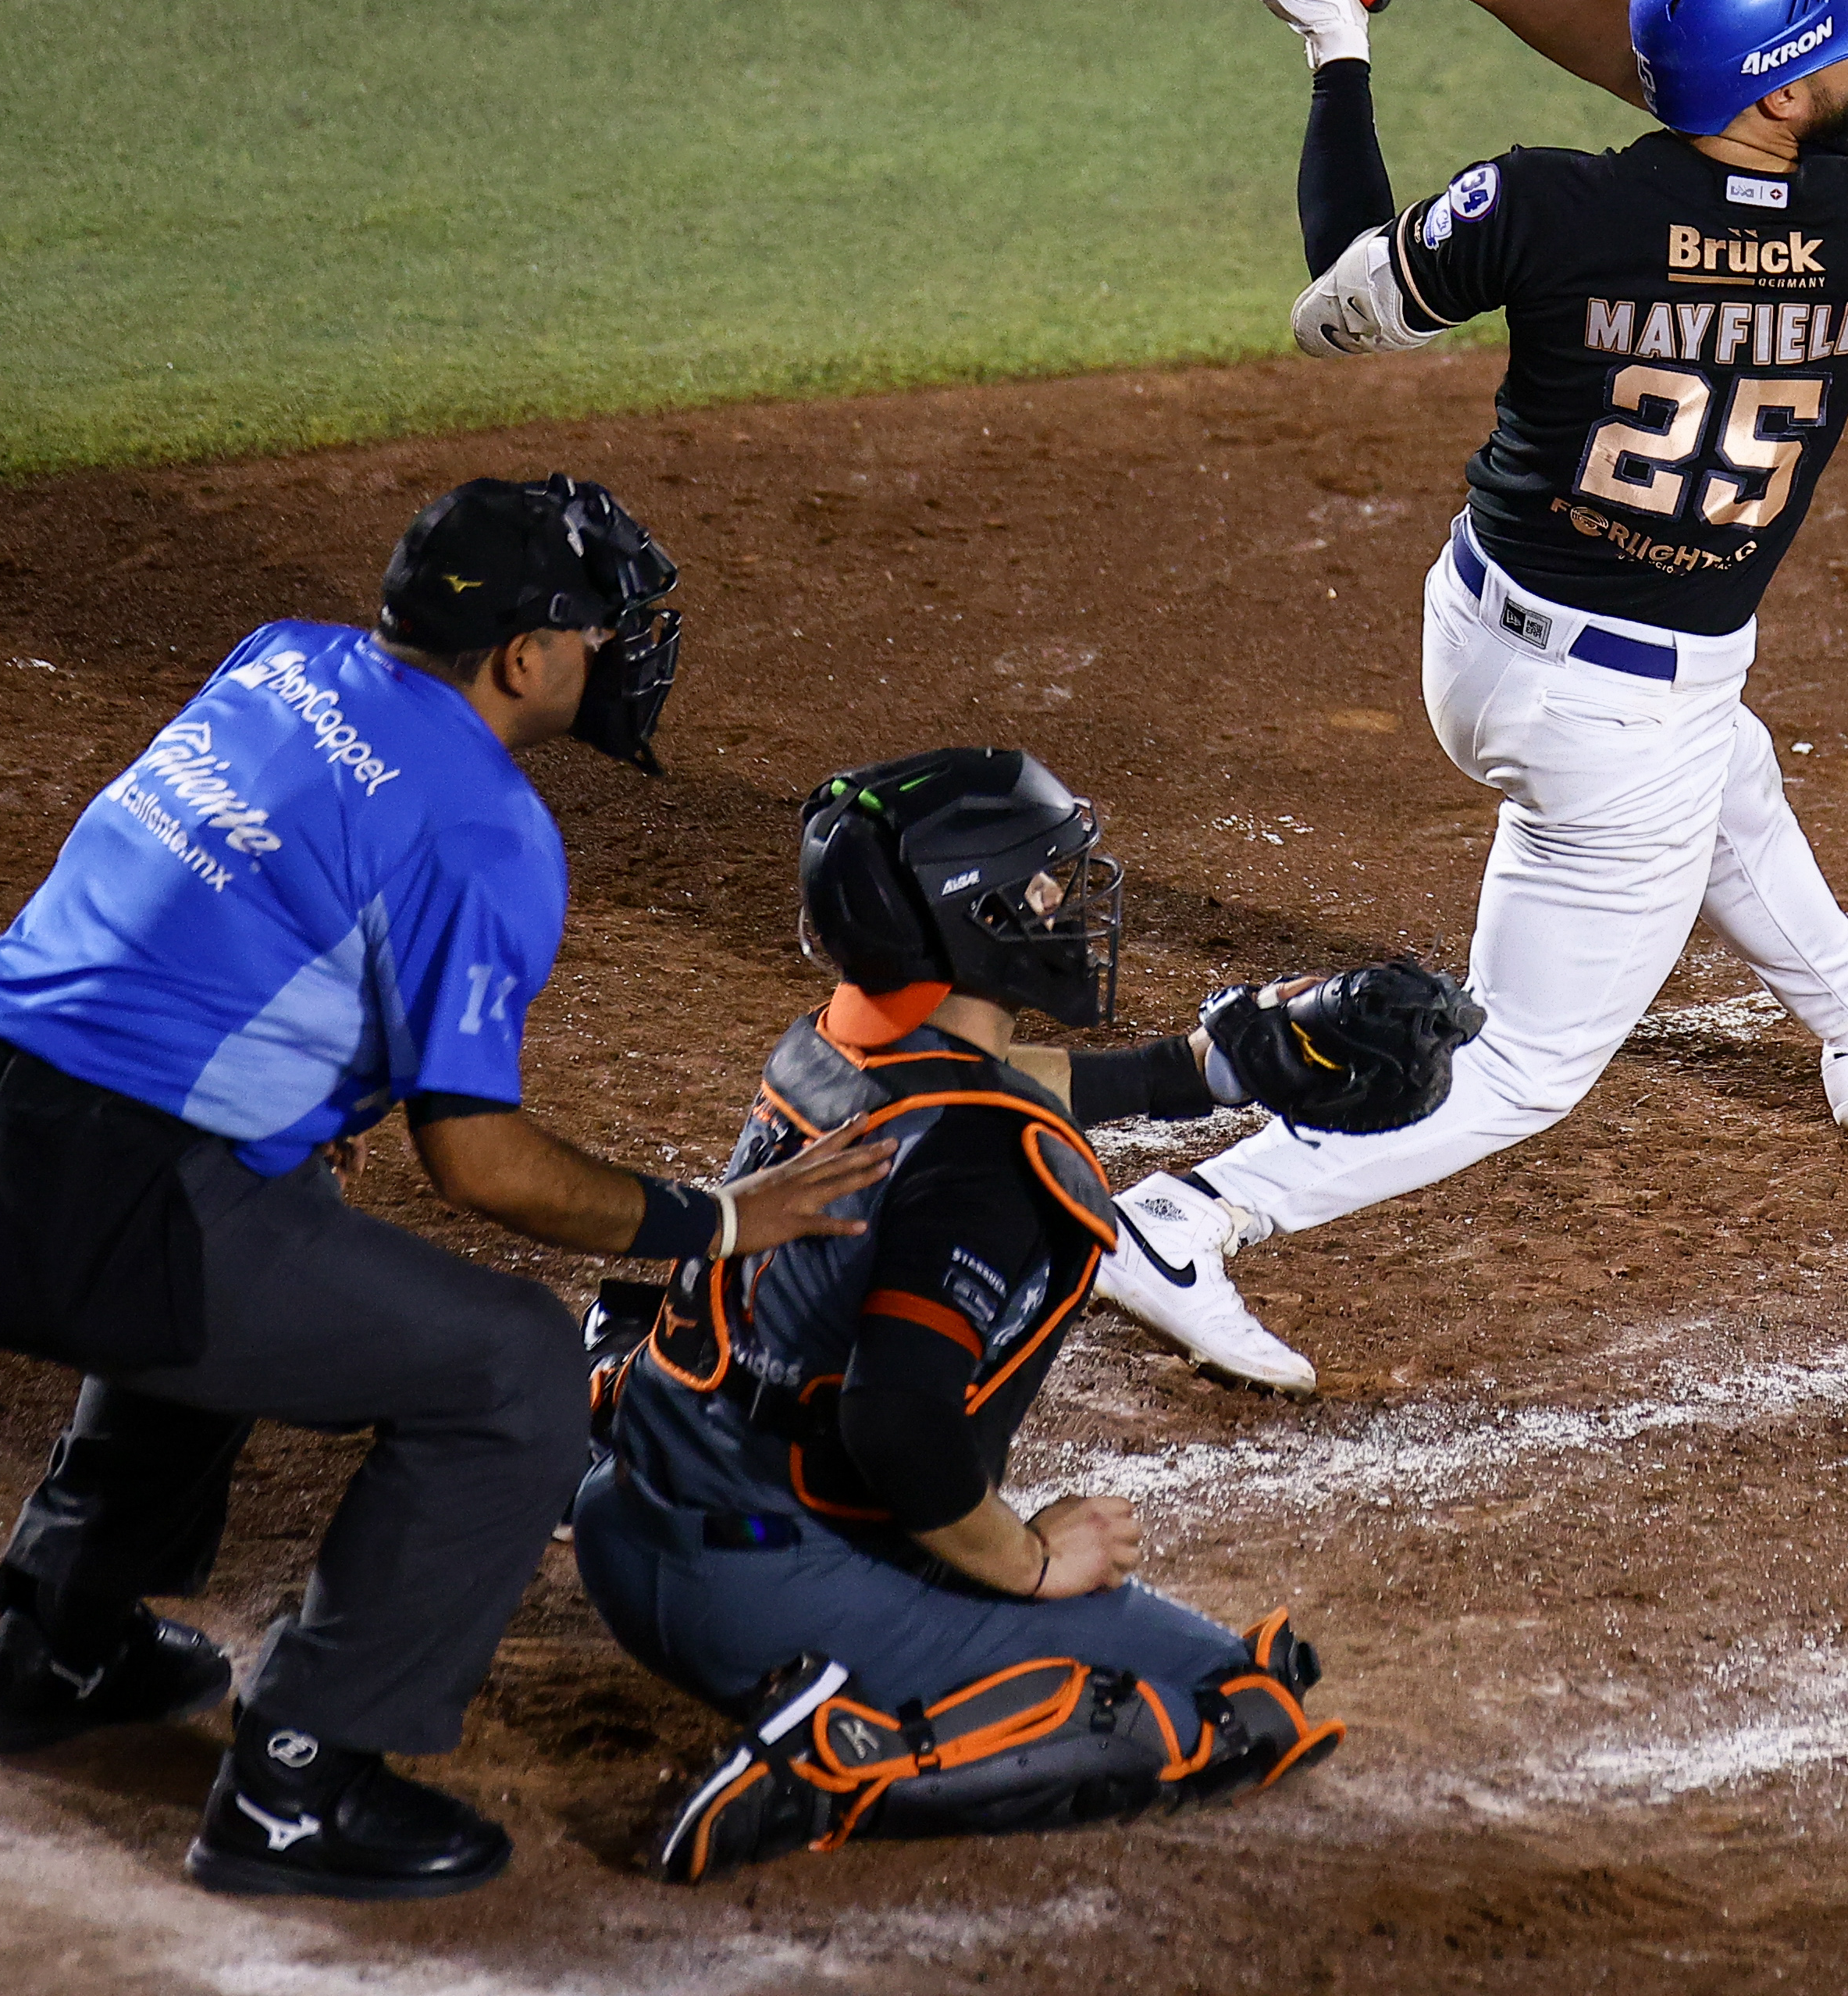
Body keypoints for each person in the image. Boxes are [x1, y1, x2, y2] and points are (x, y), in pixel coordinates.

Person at [0, 473, 885, 1902]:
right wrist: (725, 1217)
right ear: (520, 656)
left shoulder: (284, 659)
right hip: (67, 1199)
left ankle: (63, 1648)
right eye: (597, 628)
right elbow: (477, 1161)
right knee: (511, 1370)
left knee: (261, 1207)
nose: (618, 652)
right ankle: (300, 1788)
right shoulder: (487, 827)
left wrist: (290, 1104)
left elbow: (225, 911)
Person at [1096, 0, 1848, 1394]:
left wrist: (1343, 53)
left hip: (1484, 637)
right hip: (1620, 716)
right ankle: (1188, 1213)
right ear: (1785, 90)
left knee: (1732, 776)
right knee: (1523, 1069)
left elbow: (1340, 298)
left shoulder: (1545, 210)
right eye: (1837, 44)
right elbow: (1698, 106)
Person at [573, 749, 1378, 1884]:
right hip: (764, 1594)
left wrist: (1201, 1071)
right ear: (972, 917)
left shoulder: (830, 1042)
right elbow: (896, 1423)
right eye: (1044, 882)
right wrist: (1032, 1562)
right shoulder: (985, 1159)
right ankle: (844, 1755)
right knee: (1232, 1702)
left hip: (638, 1521)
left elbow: (991, 1077)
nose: (1064, 901)